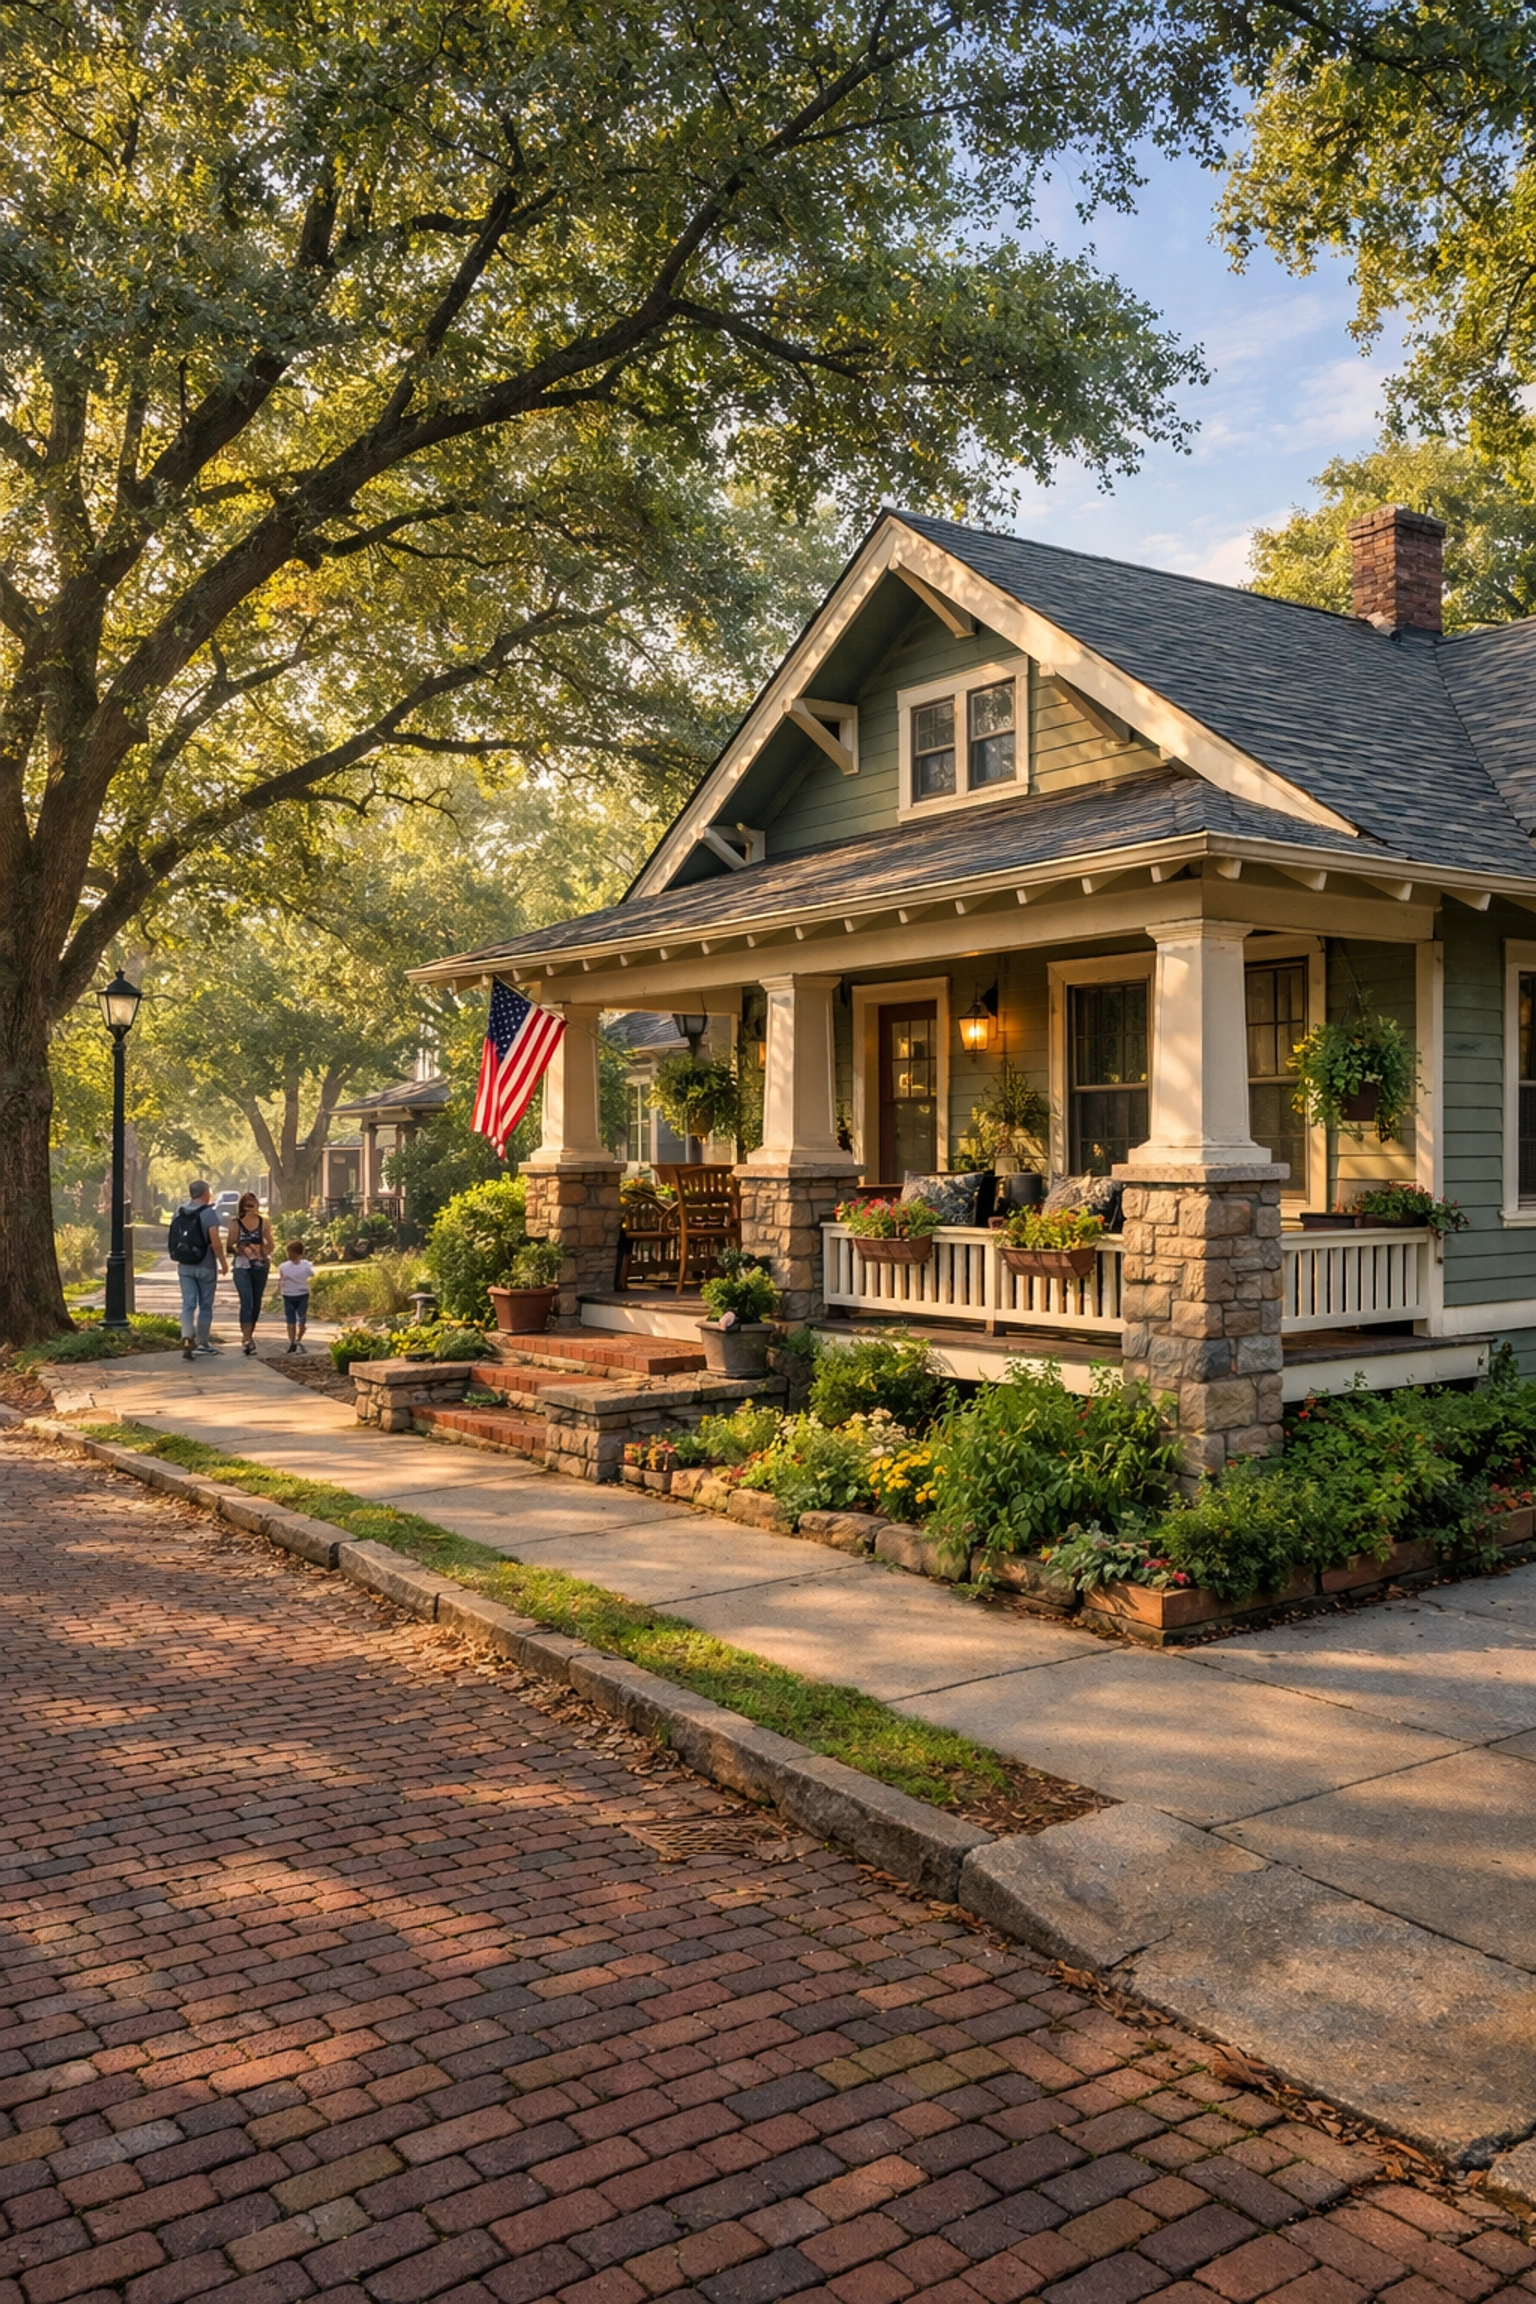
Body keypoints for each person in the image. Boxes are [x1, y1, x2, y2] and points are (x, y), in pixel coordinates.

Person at [167, 1180, 226, 1360]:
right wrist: (223, 1263)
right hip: (205, 1266)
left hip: (184, 1265)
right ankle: (203, 1343)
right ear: (205, 1193)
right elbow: (215, 1242)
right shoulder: (208, 1214)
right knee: (205, 1306)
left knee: (188, 1304)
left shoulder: (179, 1211)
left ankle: (186, 1336)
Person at [228, 1192, 274, 1355]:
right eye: (247, 1203)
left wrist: (262, 1249)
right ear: (242, 1205)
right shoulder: (236, 1223)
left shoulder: (263, 1223)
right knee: (246, 1300)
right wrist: (240, 1247)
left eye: (253, 1203)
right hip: (242, 1266)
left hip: (260, 1266)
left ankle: (250, 1334)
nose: (250, 1205)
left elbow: (271, 1245)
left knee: (256, 1302)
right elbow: (229, 1246)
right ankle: (246, 1338)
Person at [278, 1240, 315, 1353]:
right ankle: (293, 1341)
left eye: (291, 1253)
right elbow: (281, 1280)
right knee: (291, 1320)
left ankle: (297, 1339)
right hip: (289, 1295)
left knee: (301, 1319)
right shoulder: (284, 1266)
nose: (289, 1255)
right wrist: (280, 1290)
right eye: (288, 1253)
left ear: (299, 1254)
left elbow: (311, 1274)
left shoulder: (305, 1265)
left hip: (301, 1294)